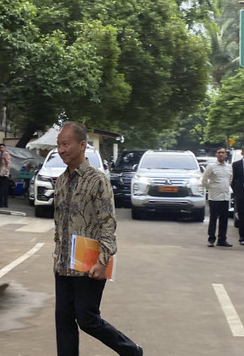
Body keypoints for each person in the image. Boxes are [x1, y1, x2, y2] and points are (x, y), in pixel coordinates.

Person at [53, 121, 142, 356]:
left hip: (89, 264)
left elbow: (108, 223)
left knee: (87, 319)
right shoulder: (61, 181)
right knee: (63, 322)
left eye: (65, 144)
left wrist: (103, 261)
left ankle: (131, 351)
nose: (61, 150)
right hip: (63, 264)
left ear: (82, 145)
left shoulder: (97, 180)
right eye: (58, 145)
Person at [202, 147, 233, 247]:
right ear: (216, 155)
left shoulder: (229, 167)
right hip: (214, 197)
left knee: (224, 219)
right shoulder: (211, 166)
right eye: (219, 153)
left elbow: (230, 180)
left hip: (225, 197)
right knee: (213, 219)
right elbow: (204, 180)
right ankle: (211, 239)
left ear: (226, 155)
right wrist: (209, 188)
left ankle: (222, 239)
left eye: (222, 153)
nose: (220, 154)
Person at [0, 143, 11, 208]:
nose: (1, 149)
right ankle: (1, 202)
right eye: (0, 148)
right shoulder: (2, 154)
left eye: (2, 147)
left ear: (4, 148)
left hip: (4, 173)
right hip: (1, 172)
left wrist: (6, 171)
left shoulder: (6, 154)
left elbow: (8, 163)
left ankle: (3, 203)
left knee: (3, 189)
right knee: (1, 189)